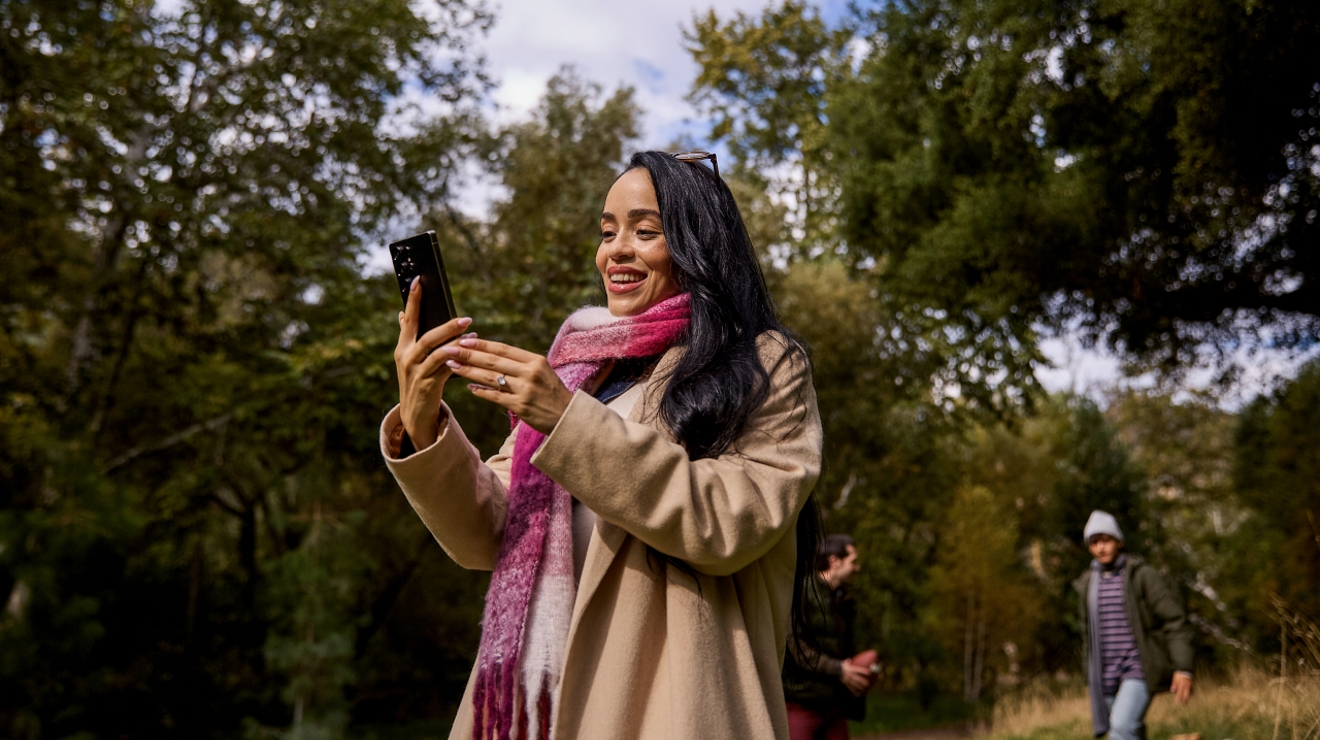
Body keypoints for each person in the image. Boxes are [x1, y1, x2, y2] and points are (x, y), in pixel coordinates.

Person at [382, 150, 824, 740]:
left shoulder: (764, 361)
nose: (615, 249)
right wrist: (423, 422)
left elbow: (730, 523)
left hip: (669, 707)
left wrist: (568, 421)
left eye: (645, 232)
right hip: (535, 709)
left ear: (699, 245)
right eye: (607, 232)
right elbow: (485, 535)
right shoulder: (575, 371)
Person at [1074, 511, 1194, 740]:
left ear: (1119, 541)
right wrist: (1089, 674)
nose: (1101, 547)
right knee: (1130, 731)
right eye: (1094, 542)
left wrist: (1183, 667)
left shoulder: (1142, 575)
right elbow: (1086, 634)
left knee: (1121, 727)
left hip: (1138, 666)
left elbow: (1175, 620)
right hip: (1104, 673)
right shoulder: (1088, 583)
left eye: (1106, 540)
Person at [782, 534, 876, 740]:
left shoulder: (845, 600)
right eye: (853, 561)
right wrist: (839, 669)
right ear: (834, 561)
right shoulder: (800, 592)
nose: (857, 568)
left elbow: (846, 652)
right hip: (801, 705)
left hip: (834, 706)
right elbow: (796, 648)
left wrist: (866, 671)